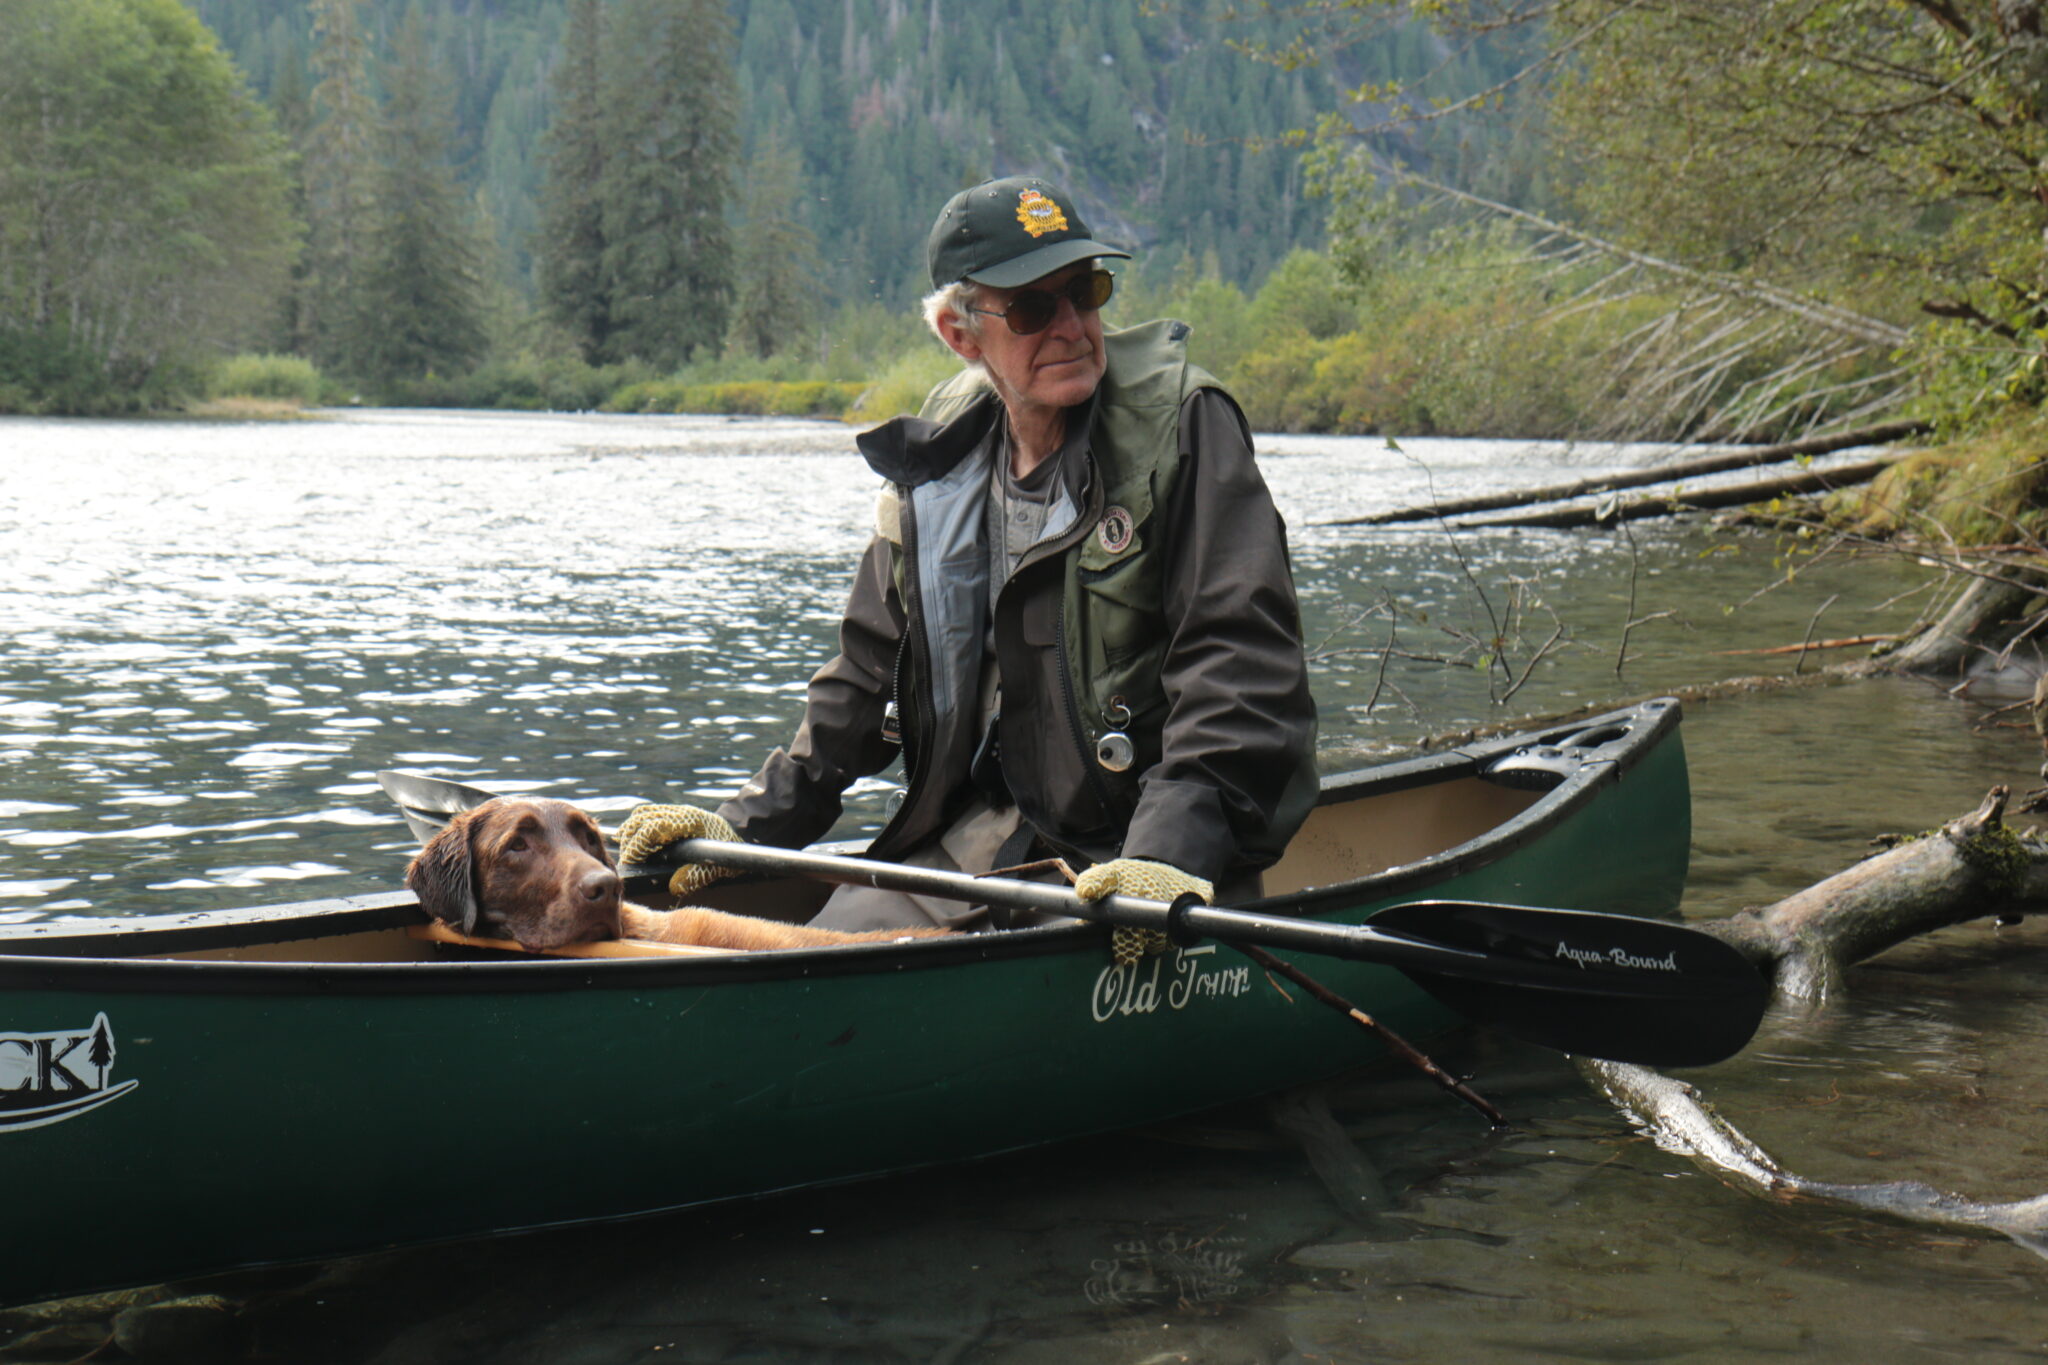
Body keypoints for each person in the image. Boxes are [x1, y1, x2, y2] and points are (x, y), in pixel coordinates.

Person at [620, 176, 1317, 934]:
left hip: (1137, 857)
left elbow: (1240, 672)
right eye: (1032, 308)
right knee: (814, 955)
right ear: (962, 334)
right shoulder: (943, 448)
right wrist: (749, 828)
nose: (1072, 327)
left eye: (1086, 291)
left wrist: (1164, 863)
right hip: (972, 845)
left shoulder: (1185, 426)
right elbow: (864, 672)